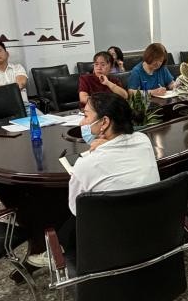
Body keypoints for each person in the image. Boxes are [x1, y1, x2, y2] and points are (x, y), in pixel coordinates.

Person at [60, 93, 159, 261]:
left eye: (86, 116)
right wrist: (106, 144)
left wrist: (100, 150)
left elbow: (77, 210)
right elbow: (120, 150)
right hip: (150, 233)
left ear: (104, 122)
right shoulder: (144, 141)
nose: (81, 123)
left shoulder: (85, 164)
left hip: (108, 247)